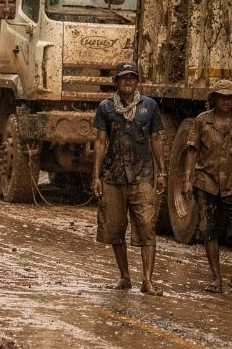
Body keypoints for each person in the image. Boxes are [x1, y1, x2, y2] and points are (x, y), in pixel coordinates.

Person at [91, 60, 166, 295]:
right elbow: (101, 142)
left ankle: (147, 281)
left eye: (132, 78)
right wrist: (96, 176)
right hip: (113, 177)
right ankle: (125, 276)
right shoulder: (106, 108)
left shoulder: (149, 106)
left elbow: (156, 139)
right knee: (115, 228)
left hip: (143, 176)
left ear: (137, 82)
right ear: (116, 82)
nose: (128, 82)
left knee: (146, 228)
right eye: (123, 78)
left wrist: (162, 172)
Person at [181, 79, 232, 295]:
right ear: (214, 98)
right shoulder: (202, 121)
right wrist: (188, 180)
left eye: (230, 97)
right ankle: (216, 279)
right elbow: (192, 151)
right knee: (209, 230)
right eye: (222, 97)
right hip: (207, 183)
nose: (226, 101)